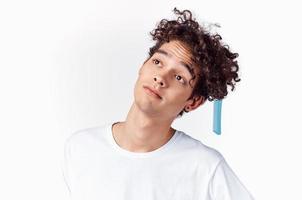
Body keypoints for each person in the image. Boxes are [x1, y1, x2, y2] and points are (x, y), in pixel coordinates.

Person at [62, 7, 254, 200]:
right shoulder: (80, 148)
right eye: (157, 62)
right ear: (143, 65)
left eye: (179, 77)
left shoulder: (205, 168)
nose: (161, 77)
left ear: (193, 102)